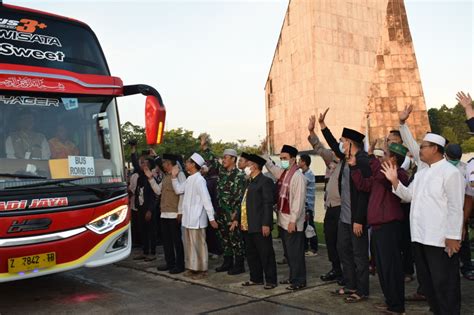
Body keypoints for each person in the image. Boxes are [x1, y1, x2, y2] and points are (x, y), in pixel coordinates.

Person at [382, 133, 464, 315]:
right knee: (428, 284)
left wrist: (453, 237)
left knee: (445, 285)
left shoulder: (451, 173)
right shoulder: (421, 173)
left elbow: (456, 206)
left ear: (435, 148)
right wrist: (395, 181)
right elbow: (408, 196)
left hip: (440, 240)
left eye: (423, 147)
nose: (419, 150)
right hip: (419, 237)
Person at [349, 143, 410, 314]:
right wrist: (354, 168)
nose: (381, 157)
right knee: (383, 269)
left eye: (384, 154)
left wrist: (370, 157)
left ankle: (397, 306)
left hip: (389, 228)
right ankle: (391, 302)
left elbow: (383, 180)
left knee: (391, 269)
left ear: (393, 159)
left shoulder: (398, 175)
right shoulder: (381, 175)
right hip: (378, 228)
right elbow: (364, 185)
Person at [319, 108, 371, 303]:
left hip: (356, 219)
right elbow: (332, 144)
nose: (340, 145)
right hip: (343, 218)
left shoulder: (363, 161)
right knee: (344, 251)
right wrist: (323, 126)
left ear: (350, 143)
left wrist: (359, 220)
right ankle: (350, 285)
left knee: (359, 256)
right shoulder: (346, 159)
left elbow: (365, 193)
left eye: (343, 142)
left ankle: (362, 290)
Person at [200, 135, 247, 275]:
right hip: (221, 212)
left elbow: (241, 197)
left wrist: (236, 216)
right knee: (224, 238)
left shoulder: (239, 176)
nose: (224, 160)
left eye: (226, 157)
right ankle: (227, 262)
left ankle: (239, 265)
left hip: (232, 213)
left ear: (233, 159)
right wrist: (205, 147)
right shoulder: (222, 172)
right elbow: (213, 160)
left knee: (235, 239)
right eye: (223, 157)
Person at [264, 144, 307, 291]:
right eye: (281, 158)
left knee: (295, 253)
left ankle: (299, 281)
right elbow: (271, 167)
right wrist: (264, 155)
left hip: (292, 222)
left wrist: (293, 221)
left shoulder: (297, 176)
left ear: (293, 159)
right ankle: (292, 277)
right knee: (289, 253)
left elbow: (298, 201)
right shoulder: (284, 173)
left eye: (285, 158)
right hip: (283, 221)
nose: (282, 160)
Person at [307, 115, 343, 282]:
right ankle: (335, 268)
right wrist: (312, 131)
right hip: (330, 206)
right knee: (330, 239)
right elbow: (319, 148)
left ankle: (346, 271)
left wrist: (322, 126)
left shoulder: (348, 163)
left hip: (343, 208)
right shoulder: (331, 159)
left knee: (343, 242)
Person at [171, 153, 218, 280]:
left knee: (199, 246)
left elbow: (206, 200)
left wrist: (211, 218)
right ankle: (192, 268)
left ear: (193, 165)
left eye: (188, 162)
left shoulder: (200, 180)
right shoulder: (189, 178)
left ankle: (202, 270)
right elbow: (178, 190)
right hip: (187, 219)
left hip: (197, 219)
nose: (186, 164)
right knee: (190, 246)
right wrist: (174, 177)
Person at [235, 154, 277, 290]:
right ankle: (256, 278)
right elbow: (243, 202)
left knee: (266, 253)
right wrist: (237, 219)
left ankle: (271, 280)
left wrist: (266, 223)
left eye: (249, 164)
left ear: (255, 166)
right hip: (247, 224)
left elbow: (267, 204)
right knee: (251, 253)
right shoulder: (249, 181)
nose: (247, 166)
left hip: (259, 224)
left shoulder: (265, 181)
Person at [147, 154, 186, 274]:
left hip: (174, 213)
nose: (162, 165)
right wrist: (150, 179)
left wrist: (180, 212)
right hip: (164, 213)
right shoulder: (166, 176)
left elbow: (182, 194)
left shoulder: (180, 174)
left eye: (163, 163)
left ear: (169, 163)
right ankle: (170, 263)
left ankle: (180, 265)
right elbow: (158, 191)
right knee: (167, 241)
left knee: (176, 241)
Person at [133, 156, 158, 262]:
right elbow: (138, 192)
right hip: (141, 207)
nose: (143, 165)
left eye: (145, 163)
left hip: (149, 209)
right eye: (142, 163)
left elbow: (155, 196)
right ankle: (145, 251)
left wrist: (150, 210)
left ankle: (152, 252)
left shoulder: (152, 178)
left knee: (151, 231)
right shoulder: (140, 177)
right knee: (142, 230)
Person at [298, 154, 318, 256]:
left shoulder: (308, 175)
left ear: (304, 162)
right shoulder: (304, 174)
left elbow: (301, 184)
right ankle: (305, 248)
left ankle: (314, 248)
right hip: (304, 206)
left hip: (308, 206)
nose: (298, 163)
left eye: (299, 161)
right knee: (304, 226)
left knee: (310, 226)